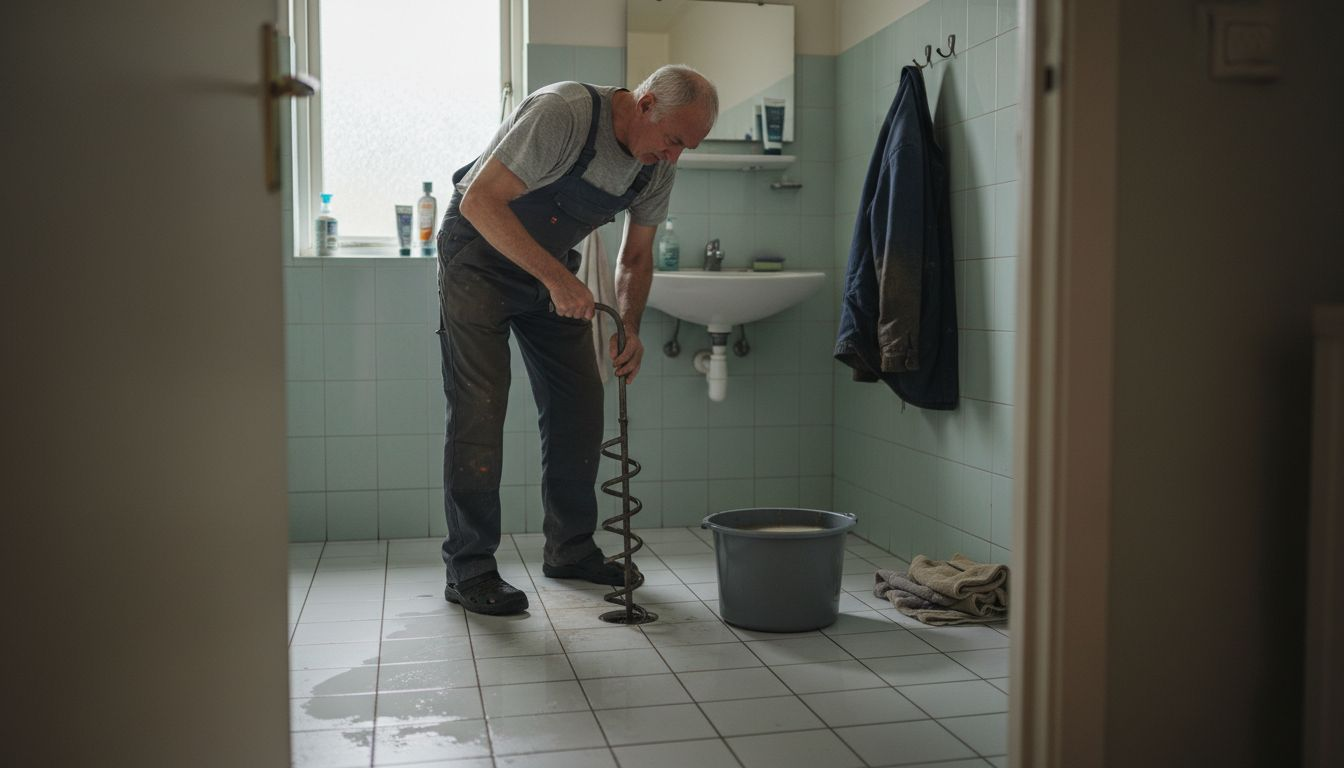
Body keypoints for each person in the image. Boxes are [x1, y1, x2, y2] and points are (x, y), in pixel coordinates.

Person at [435, 65, 718, 615]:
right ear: (645, 103)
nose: (675, 157)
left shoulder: (654, 167)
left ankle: (570, 549)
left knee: (580, 405)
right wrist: (559, 279)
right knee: (479, 411)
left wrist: (629, 326)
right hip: (477, 260)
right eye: (674, 140)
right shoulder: (563, 113)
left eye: (688, 147)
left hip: (548, 272)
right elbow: (480, 202)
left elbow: (635, 257)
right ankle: (469, 568)